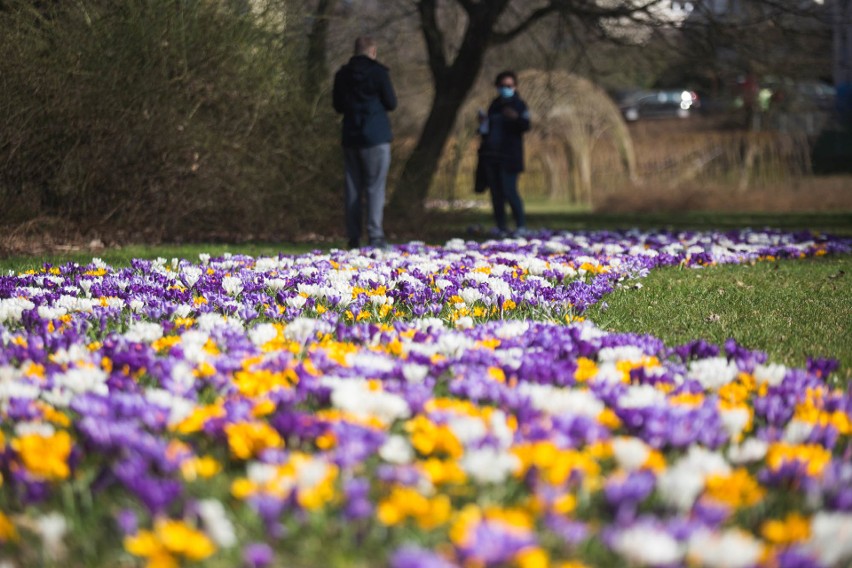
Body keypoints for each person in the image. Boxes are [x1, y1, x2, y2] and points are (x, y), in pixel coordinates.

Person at [332, 36, 397, 250]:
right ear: (373, 51)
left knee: (352, 188)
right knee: (375, 187)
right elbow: (391, 102)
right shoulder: (379, 73)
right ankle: (375, 236)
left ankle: (353, 238)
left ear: (355, 50)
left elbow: (338, 106)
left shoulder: (342, 74)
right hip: (376, 136)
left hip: (351, 136)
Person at [477, 70, 531, 237]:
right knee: (496, 194)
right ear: (497, 86)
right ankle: (501, 227)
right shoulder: (494, 105)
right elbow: (486, 131)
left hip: (510, 157)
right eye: (502, 86)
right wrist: (483, 124)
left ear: (515, 86)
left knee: (510, 191)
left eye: (509, 85)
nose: (505, 88)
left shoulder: (519, 105)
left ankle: (520, 225)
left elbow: (526, 126)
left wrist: (515, 118)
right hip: (492, 155)